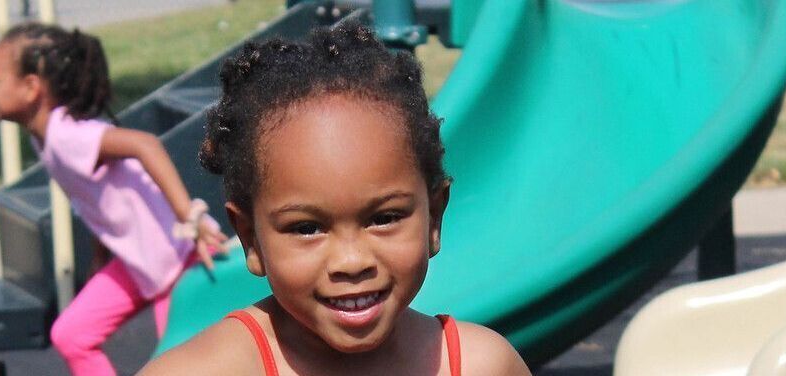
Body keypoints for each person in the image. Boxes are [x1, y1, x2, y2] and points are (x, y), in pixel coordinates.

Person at [139, 24, 530, 375]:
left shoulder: (483, 365)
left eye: (384, 217)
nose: (352, 261)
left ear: (434, 217)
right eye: (306, 228)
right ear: (250, 238)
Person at [0, 23, 229, 375]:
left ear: (30, 88)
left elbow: (145, 145)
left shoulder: (68, 136)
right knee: (71, 335)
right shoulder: (46, 137)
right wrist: (101, 256)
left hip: (177, 259)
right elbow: (100, 196)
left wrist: (187, 217)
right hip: (139, 263)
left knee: (176, 361)